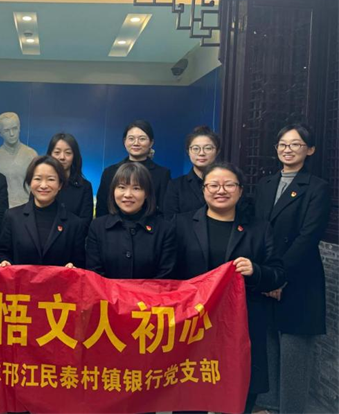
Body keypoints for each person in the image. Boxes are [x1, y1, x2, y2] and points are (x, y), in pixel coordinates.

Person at [174, 162, 285, 414]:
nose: (221, 190)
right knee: (190, 397)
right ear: (204, 189)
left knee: (239, 397)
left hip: (243, 325)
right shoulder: (181, 224)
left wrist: (256, 270)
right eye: (213, 185)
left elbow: (278, 274)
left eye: (229, 185)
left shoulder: (259, 229)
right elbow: (169, 272)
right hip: (194, 326)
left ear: (240, 190)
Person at [254, 123, 331, 414]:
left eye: (295, 144)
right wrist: (266, 276)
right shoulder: (264, 185)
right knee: (269, 344)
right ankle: (269, 405)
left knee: (294, 350)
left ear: (309, 150)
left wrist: (279, 277)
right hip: (267, 276)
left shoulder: (317, 187)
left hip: (298, 279)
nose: (288, 149)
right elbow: (258, 230)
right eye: (283, 144)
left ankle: (291, 409)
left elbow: (308, 237)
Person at [86, 162, 176, 279]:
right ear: (113, 191)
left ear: (146, 193)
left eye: (136, 188)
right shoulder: (97, 227)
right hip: (106, 291)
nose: (128, 194)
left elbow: (165, 277)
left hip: (152, 291)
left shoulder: (165, 230)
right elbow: (95, 274)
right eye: (122, 187)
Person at [0, 155, 86, 268]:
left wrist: (73, 267)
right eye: (38, 179)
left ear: (60, 185)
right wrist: (4, 261)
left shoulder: (74, 224)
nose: (43, 185)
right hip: (20, 280)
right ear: (30, 182)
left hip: (58, 280)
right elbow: (1, 253)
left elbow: (80, 262)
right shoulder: (12, 217)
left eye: (51, 179)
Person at [96, 120, 170, 217]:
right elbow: (102, 209)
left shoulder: (162, 174)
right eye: (131, 138)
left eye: (142, 139)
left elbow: (165, 211)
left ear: (151, 143)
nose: (136, 143)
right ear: (124, 141)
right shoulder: (110, 172)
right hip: (114, 225)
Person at [163, 125, 220, 218]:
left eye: (208, 148)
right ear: (188, 152)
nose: (201, 153)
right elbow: (170, 220)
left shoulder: (227, 184)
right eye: (196, 148)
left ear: (217, 151)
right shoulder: (176, 186)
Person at [0, 112, 38, 208]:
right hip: (3, 211)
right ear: (0, 133)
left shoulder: (31, 155)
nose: (12, 134)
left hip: (28, 210)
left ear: (19, 128)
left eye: (14, 128)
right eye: (7, 130)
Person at [47, 133, 93, 228]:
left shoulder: (84, 187)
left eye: (68, 153)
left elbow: (85, 224)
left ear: (74, 156)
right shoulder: (41, 184)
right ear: (50, 155)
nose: (62, 157)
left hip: (73, 236)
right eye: (57, 152)